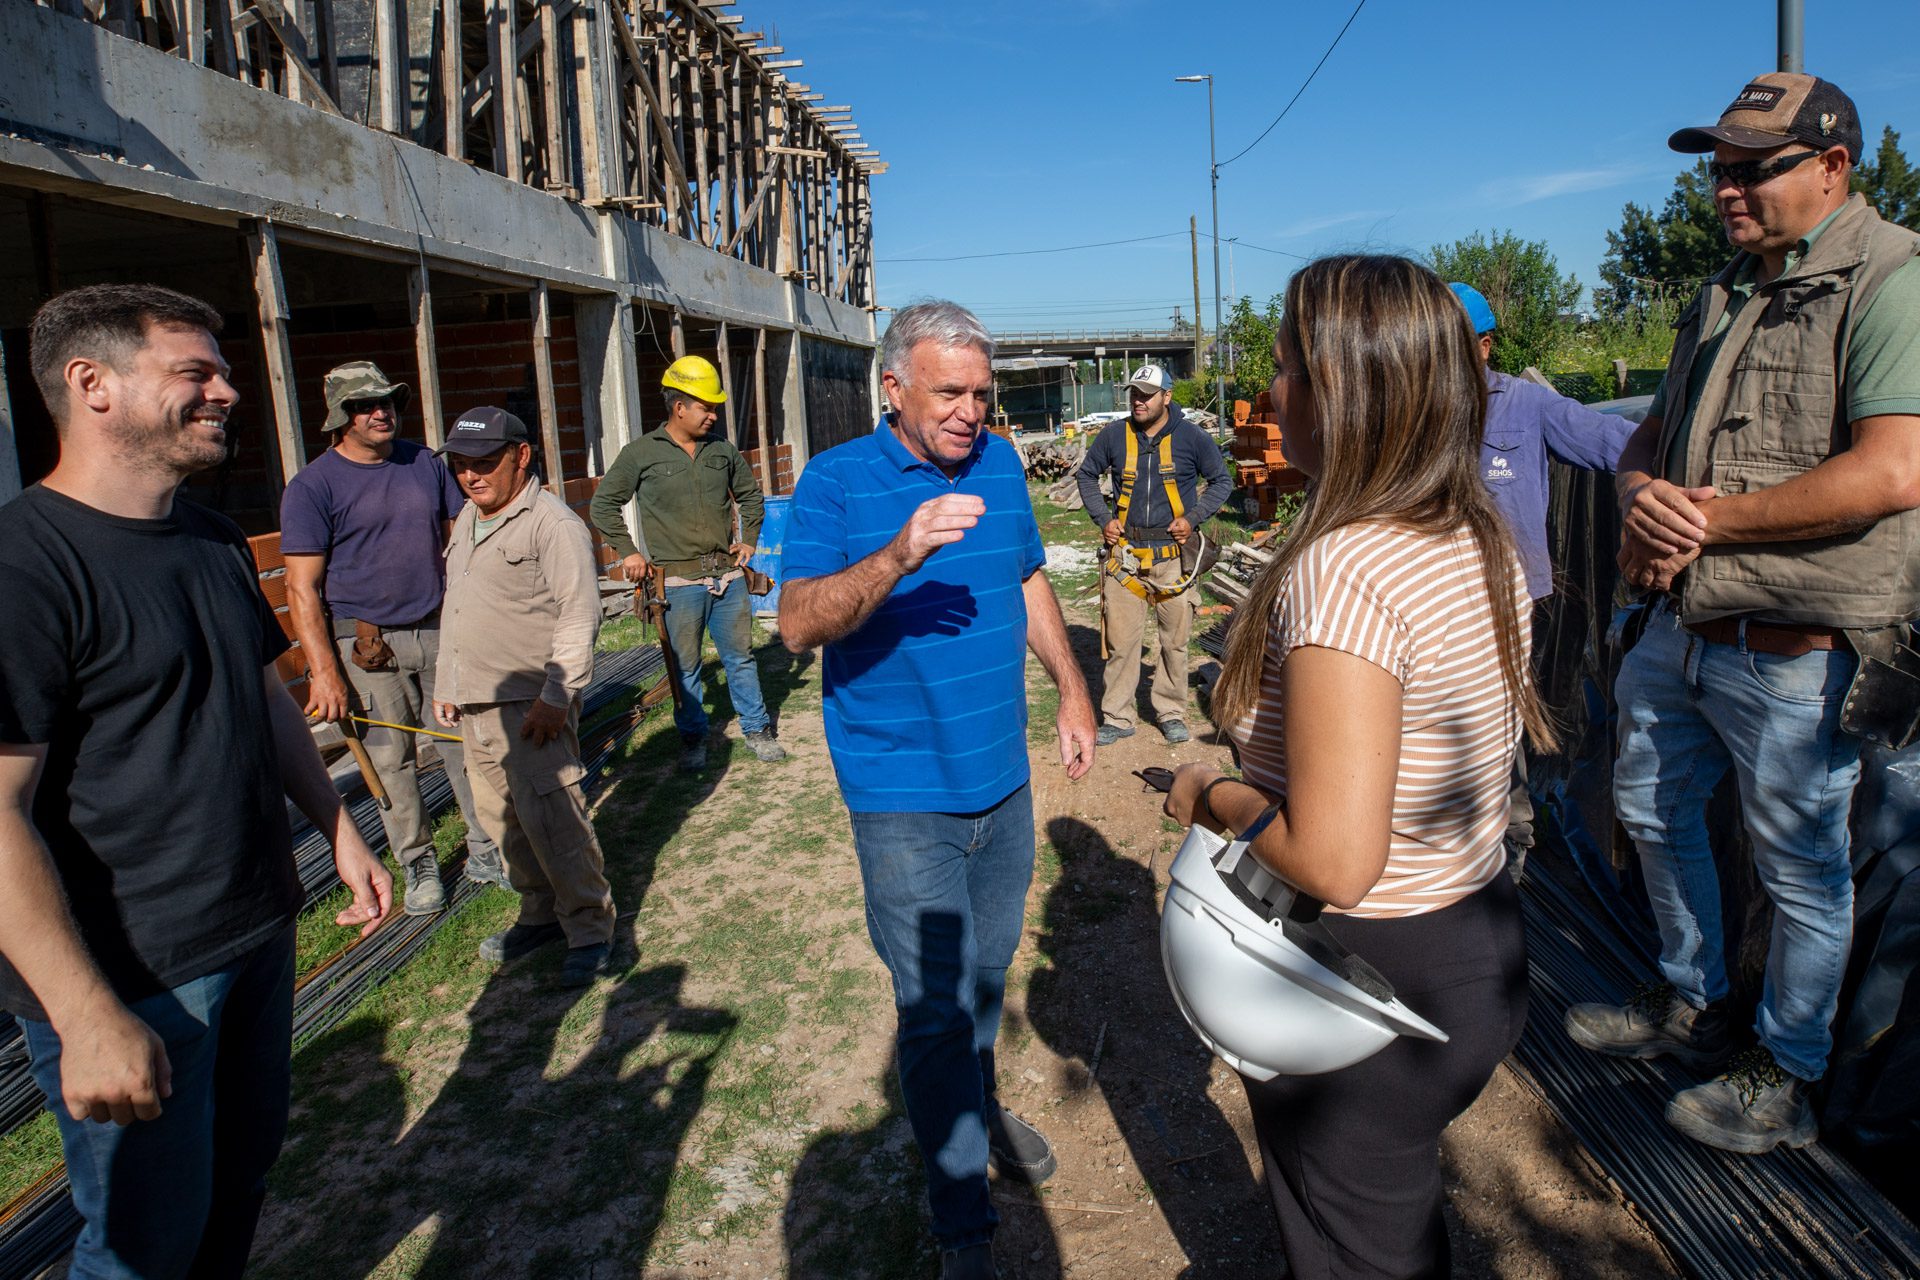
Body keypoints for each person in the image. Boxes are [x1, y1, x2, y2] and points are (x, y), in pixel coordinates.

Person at [1163, 256, 1552, 1279]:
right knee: (1388, 1226)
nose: (1267, 393)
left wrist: (1209, 793)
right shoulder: (1471, 526)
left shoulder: (1347, 565)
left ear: (1341, 389)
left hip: (1361, 975)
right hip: (1477, 936)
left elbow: (1333, 858)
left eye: (1284, 366)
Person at [0, 284, 391, 1277]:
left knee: (239, 1184)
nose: (228, 390)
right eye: (196, 371)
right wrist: (86, 1014)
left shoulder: (212, 540)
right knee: (138, 1243)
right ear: (91, 383)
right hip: (138, 973)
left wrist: (339, 828)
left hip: (257, 924)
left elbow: (264, 701)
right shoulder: (25, 567)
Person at [1565, 72, 1920, 1155]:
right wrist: (1637, 495)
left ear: (1832, 167)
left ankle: (1787, 1069)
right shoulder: (1723, 290)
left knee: (1801, 867)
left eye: (1751, 166)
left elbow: (1895, 471)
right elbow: (1643, 439)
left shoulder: (1890, 280)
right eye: (1717, 167)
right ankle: (1692, 1003)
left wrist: (1709, 526)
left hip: (1799, 647)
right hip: (1684, 625)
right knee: (1657, 813)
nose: (1725, 186)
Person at [778, 301, 1097, 1280]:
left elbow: (1029, 577)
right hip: (901, 796)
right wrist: (900, 553)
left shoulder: (1001, 463)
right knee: (930, 1007)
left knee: (984, 982)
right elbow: (795, 624)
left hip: (1001, 784)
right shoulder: (834, 482)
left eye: (981, 393)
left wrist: (1073, 690)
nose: (970, 411)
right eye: (949, 392)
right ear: (894, 388)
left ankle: (979, 1101)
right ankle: (963, 1220)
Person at [279, 360, 507, 915]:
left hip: (439, 628)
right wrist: (325, 672)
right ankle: (418, 863)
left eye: (387, 402)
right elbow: (301, 588)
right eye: (365, 405)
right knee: (390, 760)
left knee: (465, 744)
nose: (381, 412)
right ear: (340, 416)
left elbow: (466, 536)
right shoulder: (313, 487)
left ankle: (485, 849)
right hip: (366, 646)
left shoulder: (425, 464)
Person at [1447, 283, 1638, 871]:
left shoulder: (1528, 407)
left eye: (1451, 344)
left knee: (1498, 714)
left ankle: (1512, 838)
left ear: (1483, 345)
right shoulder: (1412, 412)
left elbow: (1619, 444)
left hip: (1501, 599)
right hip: (1425, 592)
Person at [431, 408, 618, 988]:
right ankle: (539, 915)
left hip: (531, 707)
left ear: (522, 456)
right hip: (476, 704)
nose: (471, 476)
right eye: (462, 465)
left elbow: (578, 614)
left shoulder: (552, 525)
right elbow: (456, 605)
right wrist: (446, 683)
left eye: (485, 463)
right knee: (504, 820)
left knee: (555, 821)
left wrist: (556, 697)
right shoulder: (468, 518)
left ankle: (590, 930)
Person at [589, 355, 783, 772]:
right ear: (680, 407)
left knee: (740, 658)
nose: (713, 415)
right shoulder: (640, 453)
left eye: (714, 408)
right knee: (686, 668)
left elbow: (750, 498)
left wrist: (747, 541)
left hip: (728, 579)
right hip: (676, 583)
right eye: (706, 407)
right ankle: (694, 738)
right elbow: (603, 505)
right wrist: (629, 551)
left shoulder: (723, 451)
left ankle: (757, 729)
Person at [1072, 363, 1230, 746]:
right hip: (1125, 557)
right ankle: (1118, 715)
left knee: (1173, 642)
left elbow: (1222, 480)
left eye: (1146, 394)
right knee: (1123, 643)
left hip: (1174, 557)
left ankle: (1170, 711)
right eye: (1134, 393)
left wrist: (1192, 519)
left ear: (1167, 397)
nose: (1138, 401)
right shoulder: (1114, 435)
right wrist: (1102, 519)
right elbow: (1086, 476)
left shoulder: (1191, 438)